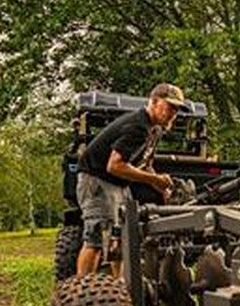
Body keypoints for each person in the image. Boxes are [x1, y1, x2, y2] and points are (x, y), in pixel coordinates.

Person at [75, 83, 187, 278]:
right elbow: (114, 165)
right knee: (97, 239)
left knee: (121, 238)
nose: (173, 113)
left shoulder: (155, 130)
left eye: (177, 110)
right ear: (153, 102)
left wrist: (159, 186)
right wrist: (155, 179)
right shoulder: (138, 126)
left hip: (118, 184)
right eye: (170, 106)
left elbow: (145, 163)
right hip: (97, 181)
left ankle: (123, 290)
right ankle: (81, 293)